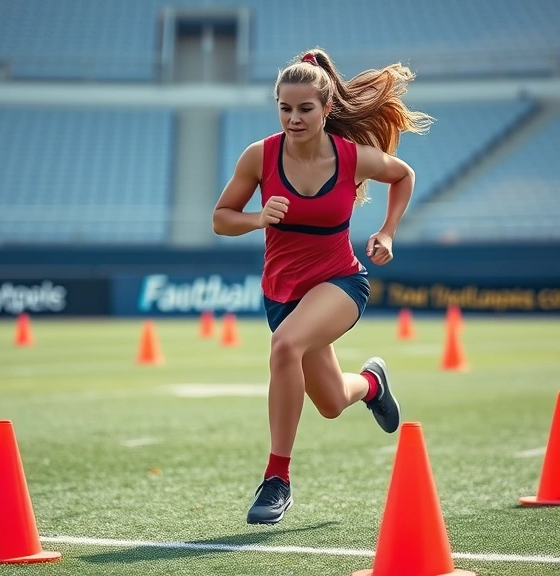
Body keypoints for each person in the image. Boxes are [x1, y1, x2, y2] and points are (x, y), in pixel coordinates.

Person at [211, 47, 433, 525]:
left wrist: (388, 231)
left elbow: (404, 175)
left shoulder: (352, 158)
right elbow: (220, 219)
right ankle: (372, 384)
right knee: (331, 402)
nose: (293, 118)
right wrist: (256, 218)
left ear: (327, 109)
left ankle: (277, 479)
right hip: (283, 293)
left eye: (305, 108)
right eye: (285, 108)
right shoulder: (260, 155)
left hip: (341, 282)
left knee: (284, 346)